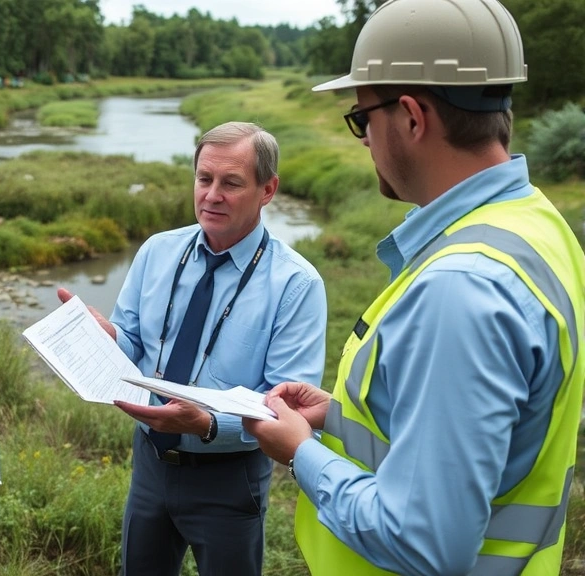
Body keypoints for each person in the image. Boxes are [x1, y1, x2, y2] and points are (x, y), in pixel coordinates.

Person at [244, 0, 585, 574]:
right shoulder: (539, 224)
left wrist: (302, 453)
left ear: (411, 116)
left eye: (362, 120)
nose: (365, 140)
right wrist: (339, 415)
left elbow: (424, 543)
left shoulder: (461, 287)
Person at [59, 121, 327, 576]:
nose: (212, 195)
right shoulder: (157, 251)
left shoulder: (296, 284)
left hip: (230, 477)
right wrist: (109, 340)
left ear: (268, 189)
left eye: (231, 183)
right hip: (150, 461)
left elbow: (286, 408)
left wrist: (207, 425)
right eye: (204, 179)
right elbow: (135, 341)